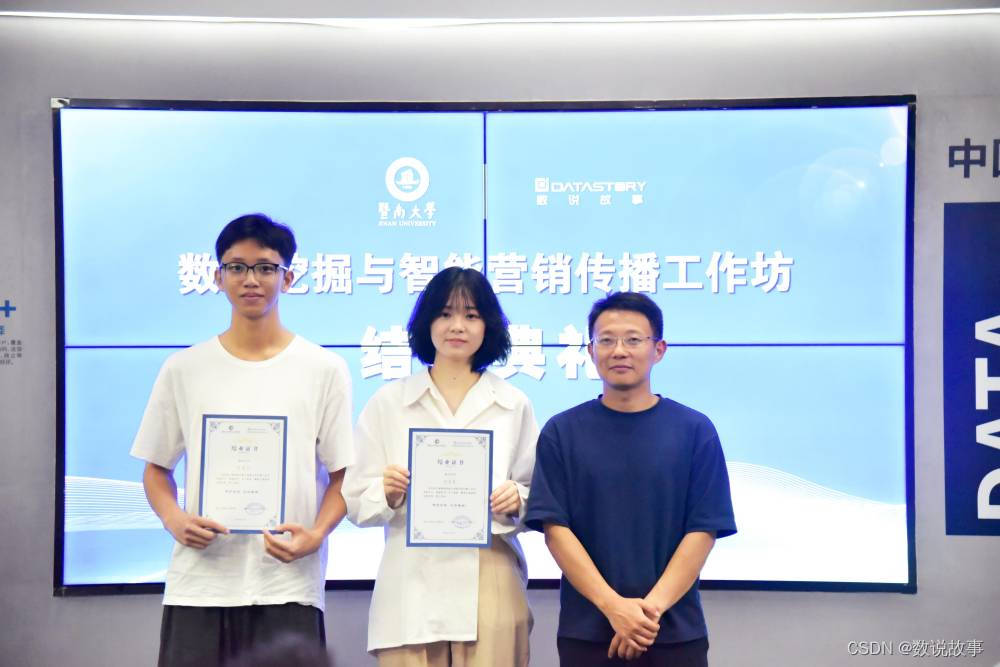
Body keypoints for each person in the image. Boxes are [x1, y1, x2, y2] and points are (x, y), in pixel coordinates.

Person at [130, 213, 354, 667]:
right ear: (218, 277)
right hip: (200, 583)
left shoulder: (324, 369)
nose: (251, 279)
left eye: (266, 267)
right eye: (237, 267)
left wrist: (315, 535)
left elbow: (343, 476)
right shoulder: (184, 368)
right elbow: (156, 469)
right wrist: (174, 519)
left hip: (287, 584)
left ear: (287, 278)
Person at [524, 291, 736, 666]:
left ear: (659, 350)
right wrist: (614, 607)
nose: (619, 351)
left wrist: (646, 613)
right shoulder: (562, 431)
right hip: (588, 632)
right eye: (607, 340)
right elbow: (555, 529)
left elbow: (703, 529)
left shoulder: (694, 430)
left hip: (674, 632)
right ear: (591, 351)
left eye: (633, 340)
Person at [344, 266, 538, 667]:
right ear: (426, 321)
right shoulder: (389, 402)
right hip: (411, 580)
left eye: (471, 315)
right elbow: (355, 501)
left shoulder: (512, 403)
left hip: (490, 572)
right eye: (445, 313)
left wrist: (517, 499)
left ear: (488, 326)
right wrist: (386, 492)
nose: (457, 326)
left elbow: (538, 494)